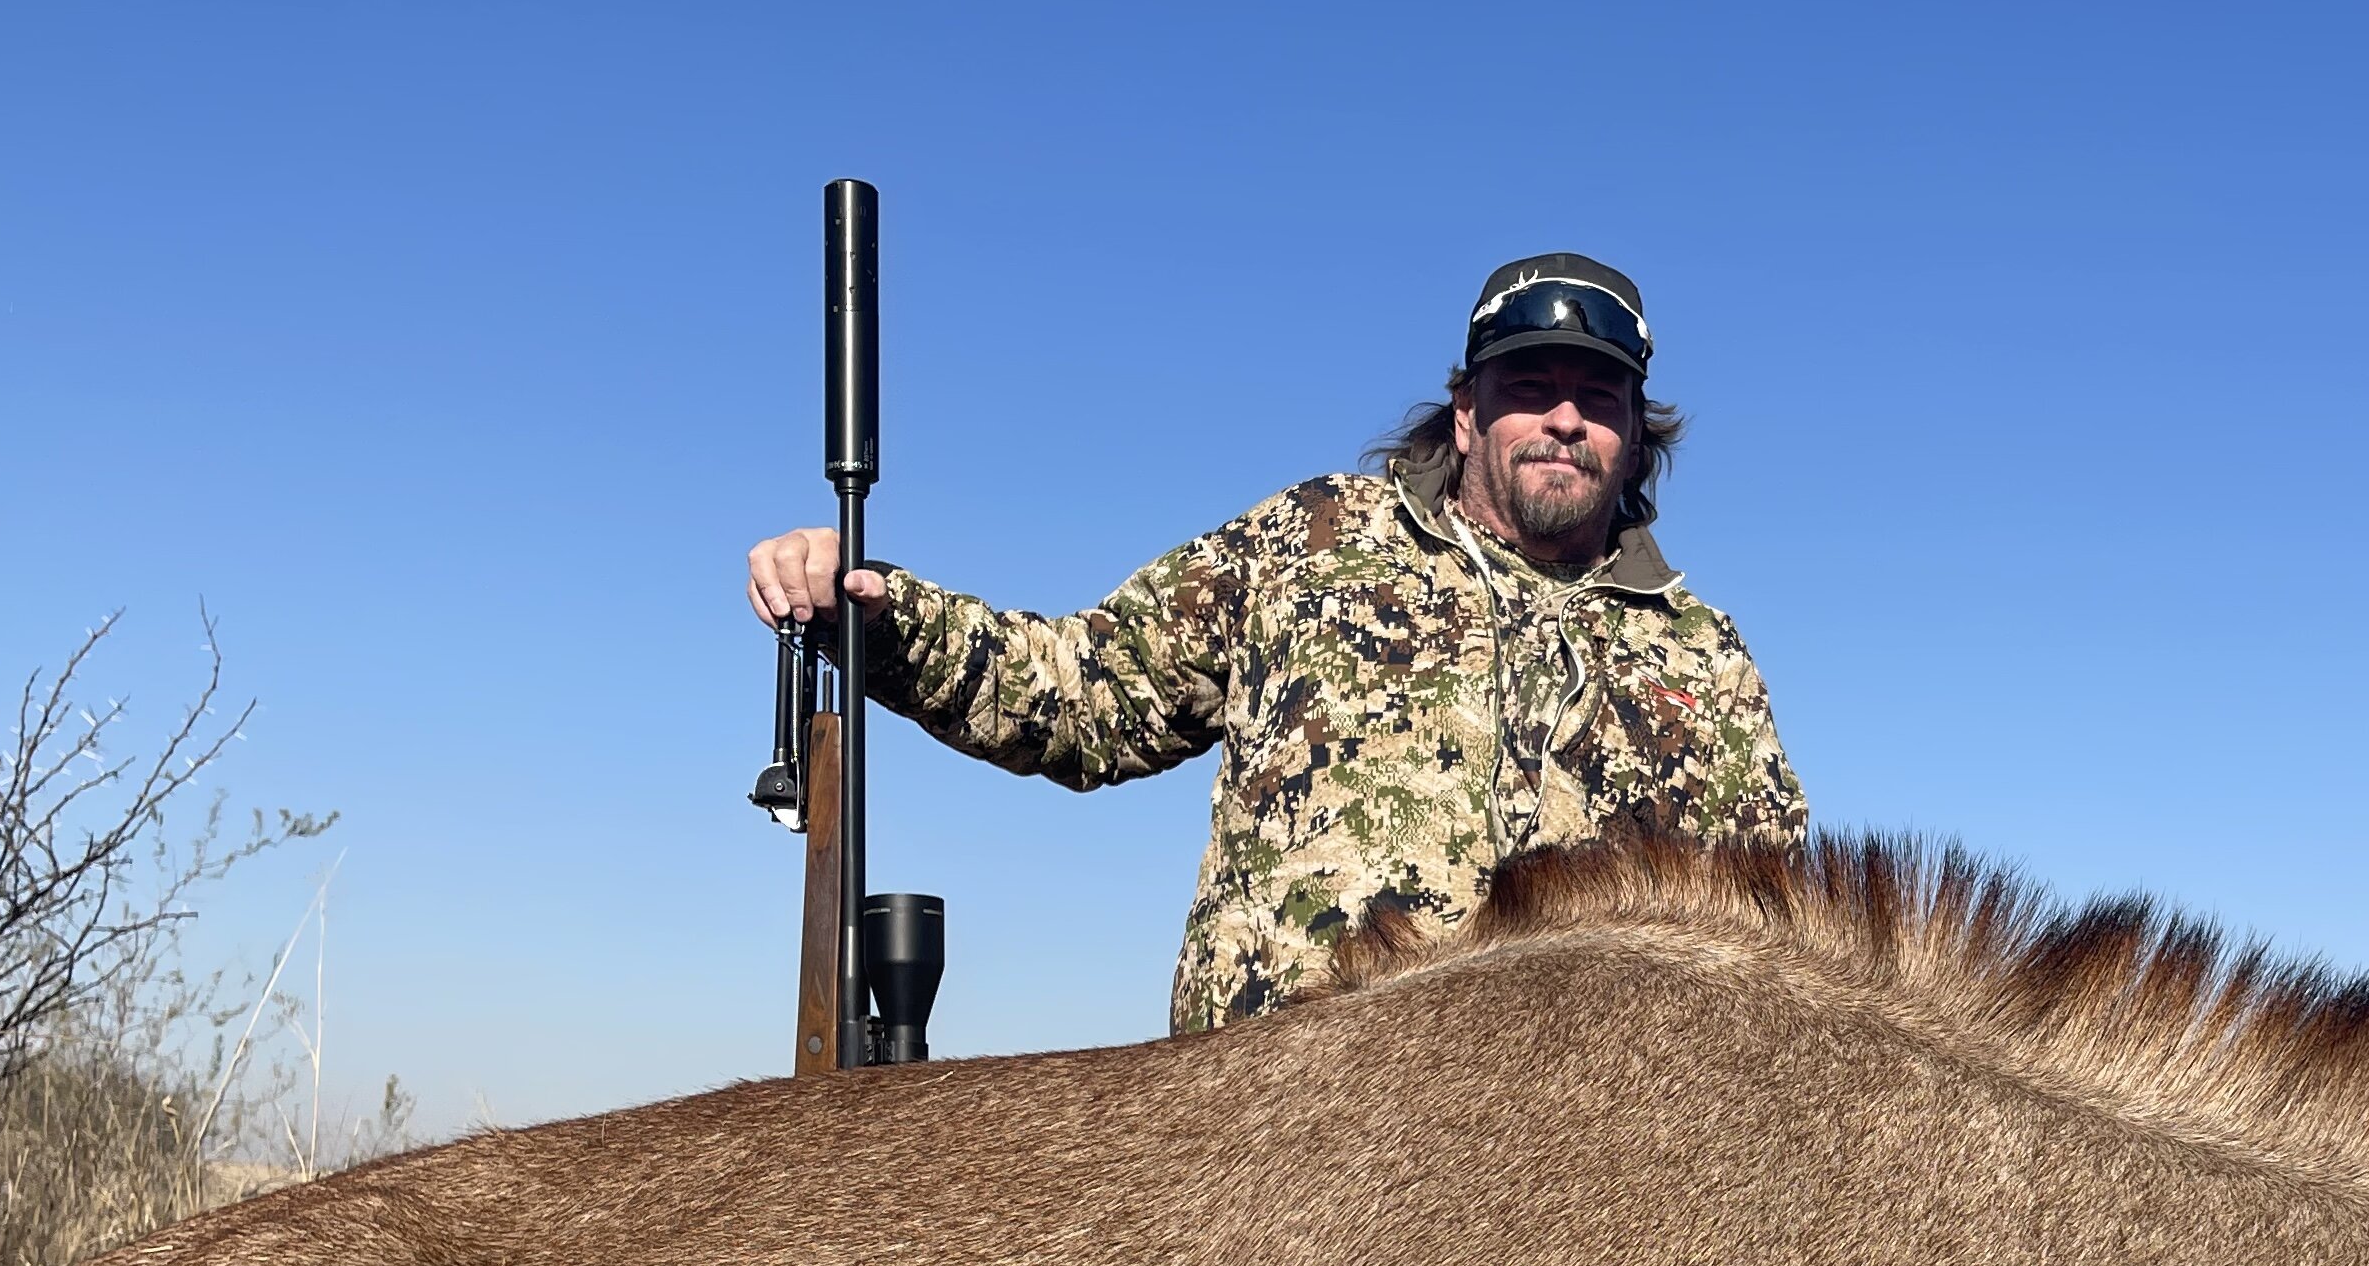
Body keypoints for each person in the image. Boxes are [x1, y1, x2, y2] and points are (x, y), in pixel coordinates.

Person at [743, 253, 1807, 1035]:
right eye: (1531, 387)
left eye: (1599, 396)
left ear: (1634, 433)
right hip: (1272, 1131)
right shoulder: (1310, 539)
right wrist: (878, 618)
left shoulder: (1700, 656)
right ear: (1469, 411)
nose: (1565, 419)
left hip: (1564, 1164)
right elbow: (1084, 698)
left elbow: (1774, 936)